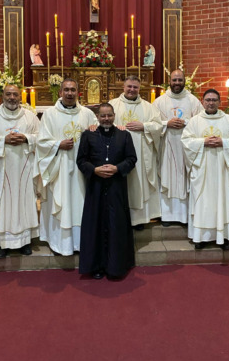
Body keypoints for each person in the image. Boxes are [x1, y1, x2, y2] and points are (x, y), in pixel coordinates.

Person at [34, 78, 97, 255]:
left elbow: (98, 133)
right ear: (61, 92)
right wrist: (57, 145)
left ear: (78, 93)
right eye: (66, 90)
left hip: (81, 169)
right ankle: (59, 243)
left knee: (80, 203)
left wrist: (94, 130)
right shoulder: (49, 114)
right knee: (61, 202)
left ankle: (80, 242)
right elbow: (41, 141)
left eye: (73, 90)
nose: (70, 93)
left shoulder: (87, 114)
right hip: (59, 167)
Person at [0, 84, 41, 258]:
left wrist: (27, 138)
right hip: (0, 169)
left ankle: (25, 242)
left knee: (24, 202)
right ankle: (1, 243)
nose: (12, 97)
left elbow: (41, 137)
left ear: (20, 97)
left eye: (15, 94)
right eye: (8, 94)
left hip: (24, 168)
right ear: (2, 96)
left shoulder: (30, 117)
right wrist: (3, 139)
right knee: (1, 204)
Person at [77, 103, 138, 280]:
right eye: (103, 116)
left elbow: (132, 159)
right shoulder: (88, 135)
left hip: (116, 188)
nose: (106, 119)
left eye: (109, 115)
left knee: (116, 224)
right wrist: (94, 170)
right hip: (95, 188)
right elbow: (81, 160)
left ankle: (116, 267)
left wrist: (118, 168)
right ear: (97, 116)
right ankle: (96, 266)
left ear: (114, 115)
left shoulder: (124, 135)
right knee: (95, 225)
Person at [181, 89, 229, 250]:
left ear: (219, 102)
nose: (211, 102)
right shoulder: (195, 121)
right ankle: (200, 237)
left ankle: (223, 237)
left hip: (222, 170)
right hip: (202, 170)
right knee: (203, 202)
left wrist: (223, 142)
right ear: (202, 102)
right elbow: (186, 141)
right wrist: (203, 142)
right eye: (208, 100)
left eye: (214, 100)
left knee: (222, 201)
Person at [108, 75, 163, 230]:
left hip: (141, 154)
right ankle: (120, 217)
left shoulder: (148, 107)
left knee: (139, 185)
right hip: (118, 154)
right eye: (129, 86)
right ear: (123, 87)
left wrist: (144, 126)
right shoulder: (113, 105)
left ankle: (138, 220)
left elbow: (158, 126)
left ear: (139, 89)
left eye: (135, 87)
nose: (132, 90)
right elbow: (103, 122)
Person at [153, 69, 203, 227]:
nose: (177, 83)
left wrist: (186, 123)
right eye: (174, 80)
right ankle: (167, 216)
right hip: (166, 147)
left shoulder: (193, 101)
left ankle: (185, 216)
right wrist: (166, 123)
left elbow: (202, 122)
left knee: (184, 179)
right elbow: (152, 124)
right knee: (167, 177)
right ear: (169, 81)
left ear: (184, 81)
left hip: (186, 149)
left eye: (180, 80)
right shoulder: (160, 102)